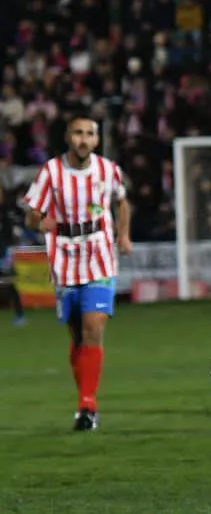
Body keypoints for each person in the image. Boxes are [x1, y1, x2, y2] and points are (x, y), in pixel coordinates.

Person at [22, 116, 132, 431]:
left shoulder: (107, 170)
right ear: (69, 137)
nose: (83, 139)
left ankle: (87, 406)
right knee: (77, 336)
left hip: (99, 256)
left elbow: (122, 203)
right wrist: (40, 223)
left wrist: (123, 235)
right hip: (64, 260)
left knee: (93, 327)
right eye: (78, 133)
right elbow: (33, 215)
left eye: (89, 134)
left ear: (96, 140)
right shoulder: (51, 173)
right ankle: (85, 396)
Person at [0, 183, 27, 326]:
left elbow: (11, 233)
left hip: (4, 253)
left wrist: (9, 250)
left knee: (10, 284)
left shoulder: (7, 211)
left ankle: (20, 315)